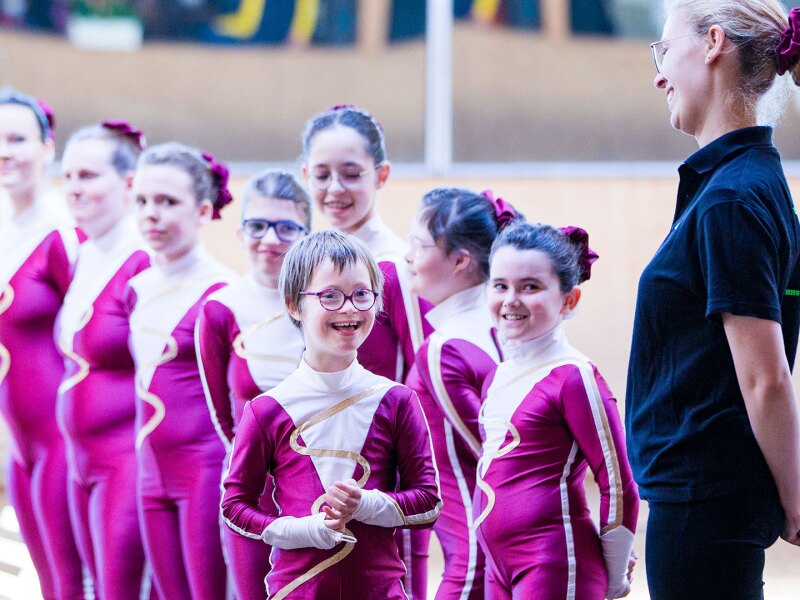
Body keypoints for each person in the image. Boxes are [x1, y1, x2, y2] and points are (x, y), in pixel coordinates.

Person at [626, 2, 800, 598]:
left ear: (714, 43)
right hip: (704, 502)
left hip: (704, 504)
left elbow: (766, 378)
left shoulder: (733, 199)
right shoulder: (741, 184)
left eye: (664, 51)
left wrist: (795, 499)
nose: (658, 75)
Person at [221, 230, 441, 599]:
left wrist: (366, 504)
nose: (350, 308)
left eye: (361, 294)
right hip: (296, 590)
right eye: (330, 296)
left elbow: (428, 501)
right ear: (294, 303)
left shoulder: (397, 400)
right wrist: (303, 530)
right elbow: (235, 506)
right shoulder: (266, 410)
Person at [301, 104, 433, 598]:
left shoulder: (396, 268)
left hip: (383, 473)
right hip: (311, 467)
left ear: (381, 175)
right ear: (304, 176)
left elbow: (421, 376)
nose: (335, 189)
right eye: (322, 174)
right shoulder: (305, 265)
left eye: (351, 174)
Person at [477, 222, 639, 599]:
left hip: (554, 561)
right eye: (500, 285)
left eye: (530, 287)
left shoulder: (574, 376)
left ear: (569, 300)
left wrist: (615, 576)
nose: (511, 299)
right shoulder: (499, 375)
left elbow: (618, 485)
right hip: (499, 567)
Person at [197, 169, 309, 598]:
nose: (269, 239)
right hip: (251, 494)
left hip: (321, 489)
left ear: (307, 233)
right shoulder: (220, 310)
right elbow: (223, 416)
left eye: (286, 227)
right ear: (242, 231)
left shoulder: (327, 304)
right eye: (257, 226)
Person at [128, 142, 233, 599]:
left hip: (204, 473)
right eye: (143, 201)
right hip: (150, 474)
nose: (152, 214)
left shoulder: (223, 293)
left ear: (204, 211)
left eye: (168, 202)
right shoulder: (136, 287)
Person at [58, 120, 153, 599]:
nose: (74, 188)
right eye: (69, 176)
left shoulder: (143, 262)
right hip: (80, 462)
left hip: (126, 463)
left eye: (89, 176)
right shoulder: (83, 254)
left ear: (130, 183)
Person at [404, 187, 511, 599]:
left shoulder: (445, 348)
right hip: (495, 553)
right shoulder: (504, 329)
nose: (408, 256)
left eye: (418, 244)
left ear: (461, 260)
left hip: (474, 562)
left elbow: (498, 461)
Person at [0, 90, 85, 599]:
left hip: (63, 436)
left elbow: (91, 338)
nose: (4, 151)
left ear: (48, 147)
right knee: (45, 584)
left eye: (17, 139)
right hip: (19, 441)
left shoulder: (63, 231)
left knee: (73, 581)